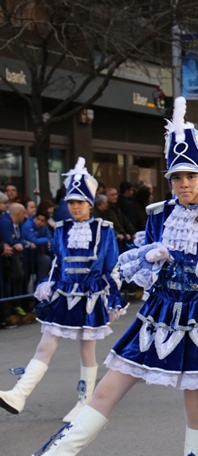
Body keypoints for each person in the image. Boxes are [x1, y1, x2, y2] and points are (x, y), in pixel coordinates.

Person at [0, 97, 198, 456]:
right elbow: (138, 273)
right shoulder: (157, 216)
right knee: (107, 389)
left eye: (190, 177)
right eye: (176, 178)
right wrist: (150, 259)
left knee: (196, 411)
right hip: (155, 317)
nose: (183, 184)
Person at [0, 158, 127, 424]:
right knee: (45, 344)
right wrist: (48, 283)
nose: (75, 207)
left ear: (90, 204)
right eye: (71, 202)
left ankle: (83, 403)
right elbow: (59, 261)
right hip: (63, 293)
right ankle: (19, 394)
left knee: (86, 350)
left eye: (80, 202)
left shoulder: (104, 230)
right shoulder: (62, 229)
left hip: (91, 297)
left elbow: (111, 267)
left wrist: (115, 299)